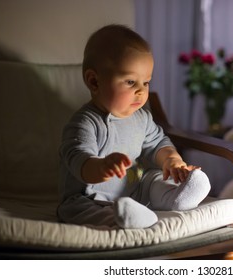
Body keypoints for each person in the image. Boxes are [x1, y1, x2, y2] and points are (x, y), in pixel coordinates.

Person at [57, 24, 211, 229]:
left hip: (136, 187)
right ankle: (126, 216)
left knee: (154, 178)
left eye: (146, 82)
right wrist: (102, 167)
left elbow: (159, 143)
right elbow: (78, 158)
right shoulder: (85, 122)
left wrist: (172, 160)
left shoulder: (142, 118)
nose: (141, 91)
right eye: (130, 82)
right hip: (92, 197)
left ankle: (180, 196)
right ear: (94, 82)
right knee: (81, 211)